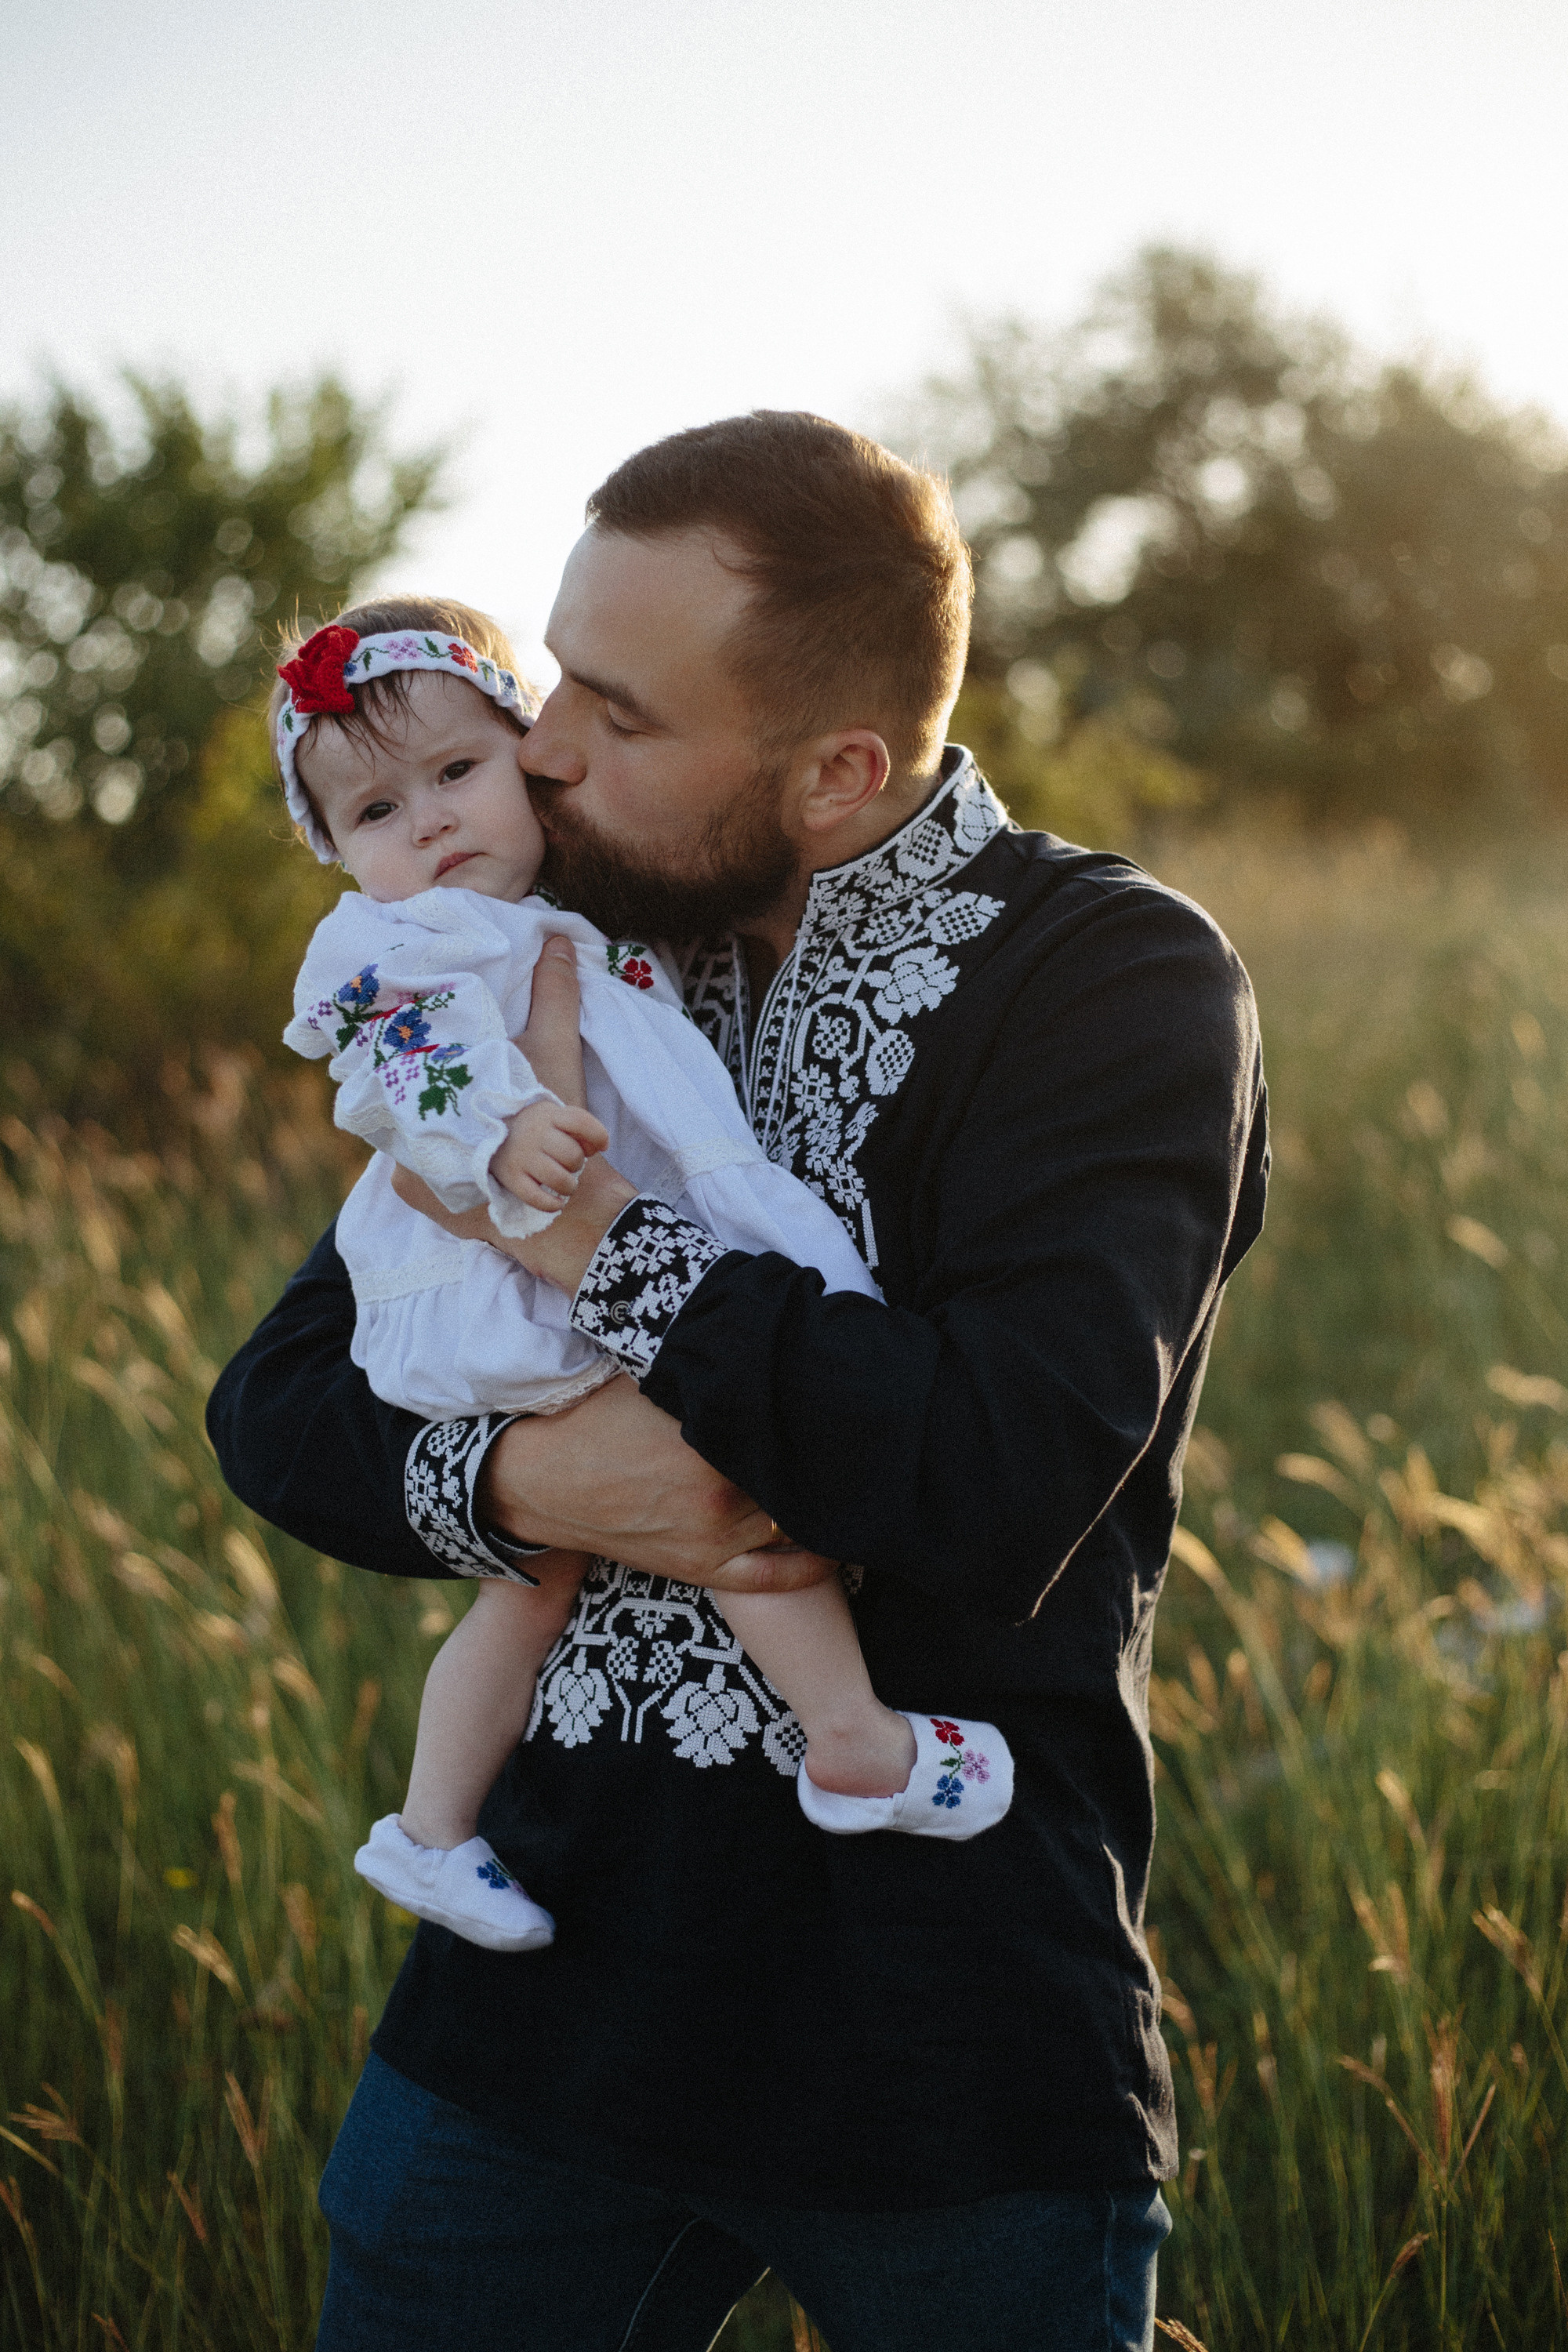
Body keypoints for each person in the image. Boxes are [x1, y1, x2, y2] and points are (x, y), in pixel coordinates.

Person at [209, 411, 1269, 2352]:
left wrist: (593, 1244)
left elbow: (988, 1473)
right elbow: (283, 1401)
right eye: (552, 681)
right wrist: (535, 1488)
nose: (536, 753)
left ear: (840, 767)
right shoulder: (560, 926)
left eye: (612, 713)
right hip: (529, 2020)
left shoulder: (1108, 981)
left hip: (948, 2041)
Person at [268, 596, 1013, 1952]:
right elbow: (399, 1067)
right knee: (736, 1484)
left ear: (521, 756)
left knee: (532, 1582)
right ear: (335, 853)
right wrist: (503, 1127)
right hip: (509, 1269)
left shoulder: (573, 909)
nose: (430, 823)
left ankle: (432, 1832)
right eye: (374, 813)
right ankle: (851, 1742)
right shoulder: (396, 942)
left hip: (573, 1254)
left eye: (456, 772)